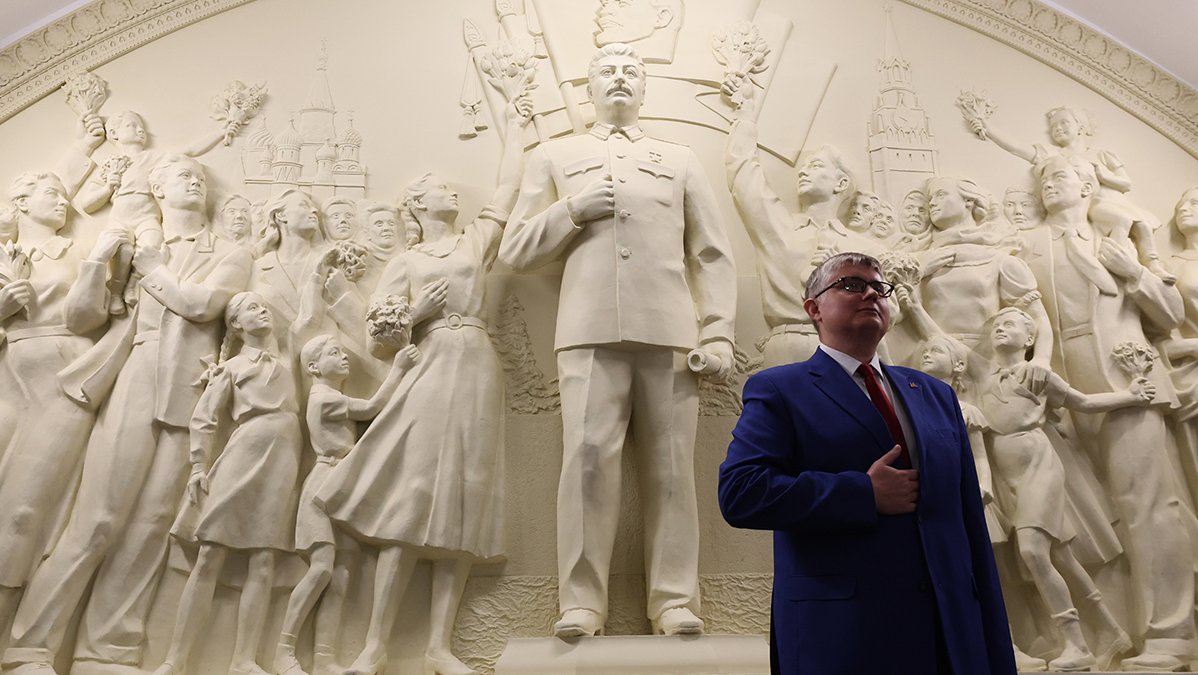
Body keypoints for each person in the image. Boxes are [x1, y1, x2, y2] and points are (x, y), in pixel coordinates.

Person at [500, 43, 736, 638]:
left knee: (672, 469)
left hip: (671, 334)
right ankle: (582, 603)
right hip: (588, 329)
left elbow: (711, 252)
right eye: (607, 70)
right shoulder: (555, 155)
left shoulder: (679, 159)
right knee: (585, 463)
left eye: (632, 70)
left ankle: (674, 600)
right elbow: (515, 249)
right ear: (589, 87)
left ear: (645, 87)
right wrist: (572, 210)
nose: (621, 78)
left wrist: (718, 331)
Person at [2, 155, 252, 675]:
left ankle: (106, 651)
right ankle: (29, 647)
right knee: (99, 517)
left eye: (200, 177)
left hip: (188, 389)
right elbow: (84, 316)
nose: (194, 182)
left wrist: (153, 270)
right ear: (157, 188)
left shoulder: (229, 252)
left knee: (153, 524)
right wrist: (108, 264)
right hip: (135, 375)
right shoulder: (130, 242)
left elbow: (203, 306)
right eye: (182, 176)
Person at [718, 252, 1016, 674]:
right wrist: (862, 493)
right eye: (852, 285)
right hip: (842, 635)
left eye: (880, 287)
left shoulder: (936, 395)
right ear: (814, 309)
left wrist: (993, 650)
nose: (872, 294)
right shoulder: (779, 389)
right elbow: (741, 493)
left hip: (948, 634)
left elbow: (969, 524)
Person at [317, 97, 531, 675]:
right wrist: (416, 312)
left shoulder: (474, 243)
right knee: (411, 497)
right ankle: (375, 647)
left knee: (464, 497)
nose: (451, 194)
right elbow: (377, 336)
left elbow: (508, 189)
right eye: (439, 189)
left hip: (476, 363)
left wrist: (516, 127)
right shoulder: (408, 261)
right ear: (417, 204)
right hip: (429, 362)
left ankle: (438, 647)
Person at [1023, 155, 1194, 670]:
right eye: (1044, 179)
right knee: (1081, 516)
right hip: (1058, 388)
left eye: (1060, 176)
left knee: (1148, 504)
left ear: (1087, 185)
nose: (1049, 185)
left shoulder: (1116, 238)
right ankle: (1088, 635)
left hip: (1126, 379)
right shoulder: (1027, 245)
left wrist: (1135, 273)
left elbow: (1171, 315)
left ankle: (1170, 635)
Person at [152, 292, 302, 675]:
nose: (262, 309)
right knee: (210, 554)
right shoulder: (230, 369)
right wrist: (198, 466)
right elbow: (205, 418)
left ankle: (244, 660)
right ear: (235, 323)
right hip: (244, 452)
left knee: (264, 560)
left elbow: (311, 315)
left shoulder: (289, 357)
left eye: (264, 305)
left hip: (283, 460)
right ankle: (176, 659)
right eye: (252, 307)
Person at [274, 335, 419, 675]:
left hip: (342, 486)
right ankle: (283, 651)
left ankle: (324, 658)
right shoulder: (324, 398)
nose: (344, 357)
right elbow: (371, 407)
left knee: (340, 575)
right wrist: (398, 369)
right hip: (323, 488)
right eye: (333, 353)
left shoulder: (331, 396)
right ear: (313, 367)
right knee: (322, 569)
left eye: (342, 351)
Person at [724, 76, 854, 367]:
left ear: (841, 182)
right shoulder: (780, 229)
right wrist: (744, 114)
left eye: (816, 166)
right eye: (804, 167)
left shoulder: (862, 248)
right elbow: (744, 178)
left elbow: (888, 311)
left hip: (847, 348)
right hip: (788, 345)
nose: (804, 172)